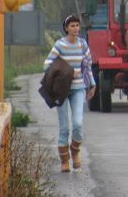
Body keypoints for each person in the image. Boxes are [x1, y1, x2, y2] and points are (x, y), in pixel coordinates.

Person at [44, 15, 96, 173]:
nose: (75, 28)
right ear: (66, 28)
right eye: (72, 26)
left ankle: (75, 151)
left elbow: (87, 66)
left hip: (78, 89)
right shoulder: (60, 45)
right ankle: (64, 160)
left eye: (77, 26)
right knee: (64, 127)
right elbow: (47, 64)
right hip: (62, 90)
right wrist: (66, 72)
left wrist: (92, 84)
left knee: (78, 124)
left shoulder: (82, 44)